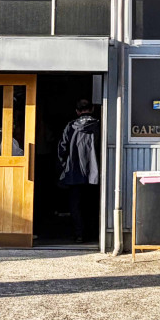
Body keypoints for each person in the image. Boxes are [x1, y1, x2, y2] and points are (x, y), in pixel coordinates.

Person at [58, 99, 100, 243]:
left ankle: (79, 234)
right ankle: (94, 234)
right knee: (92, 204)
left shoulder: (70, 126)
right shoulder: (99, 125)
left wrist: (65, 166)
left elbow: (62, 149)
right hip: (94, 173)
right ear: (92, 109)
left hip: (74, 172)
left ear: (77, 111)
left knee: (75, 205)